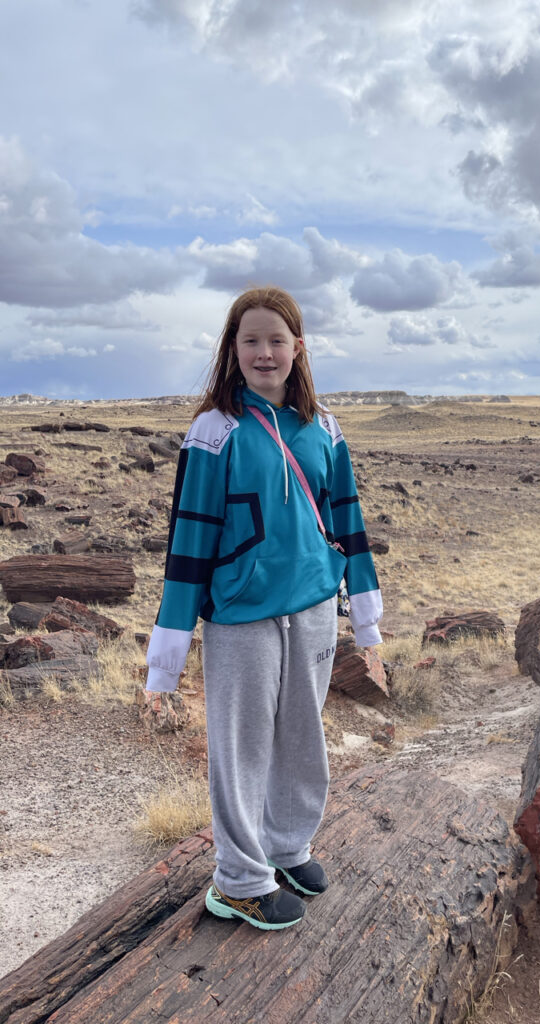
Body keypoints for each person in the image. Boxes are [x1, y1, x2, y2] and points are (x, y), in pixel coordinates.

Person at [145, 285, 383, 930]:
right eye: (250, 339)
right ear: (233, 349)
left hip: (311, 607)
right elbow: (189, 538)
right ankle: (240, 880)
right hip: (243, 614)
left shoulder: (324, 427)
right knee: (242, 745)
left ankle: (286, 847)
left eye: (277, 339)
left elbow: (349, 521)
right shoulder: (214, 432)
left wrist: (365, 614)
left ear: (298, 347)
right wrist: (167, 653)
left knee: (302, 738)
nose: (264, 351)